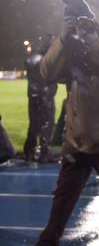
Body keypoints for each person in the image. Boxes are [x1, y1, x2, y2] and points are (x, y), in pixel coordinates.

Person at [11, 0, 99, 246]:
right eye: (71, 20)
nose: (77, 25)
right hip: (78, 136)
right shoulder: (67, 48)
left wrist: (94, 42)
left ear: (92, 20)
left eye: (80, 19)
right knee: (64, 195)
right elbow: (46, 72)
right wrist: (61, 39)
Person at [23, 35, 57, 163]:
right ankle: (44, 154)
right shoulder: (47, 60)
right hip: (46, 95)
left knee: (33, 125)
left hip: (32, 95)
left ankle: (29, 152)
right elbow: (52, 78)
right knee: (47, 125)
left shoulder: (30, 59)